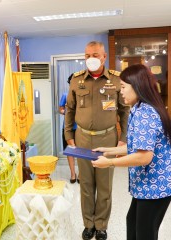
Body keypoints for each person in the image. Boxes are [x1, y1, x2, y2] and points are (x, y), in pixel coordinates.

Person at [92, 64, 171, 240]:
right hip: (146, 186)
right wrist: (108, 150)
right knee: (133, 225)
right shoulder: (138, 109)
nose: (120, 92)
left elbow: (144, 156)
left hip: (155, 187)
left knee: (144, 234)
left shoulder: (146, 113)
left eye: (123, 87)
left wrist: (110, 163)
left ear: (137, 86)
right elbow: (137, 145)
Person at [64, 41, 130, 240]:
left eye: (94, 55)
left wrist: (123, 138)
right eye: (87, 56)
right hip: (82, 138)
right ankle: (88, 224)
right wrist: (68, 135)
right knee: (86, 185)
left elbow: (124, 111)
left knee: (104, 186)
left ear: (104, 57)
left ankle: (101, 225)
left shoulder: (116, 80)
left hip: (108, 138)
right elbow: (70, 109)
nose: (90, 59)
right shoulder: (76, 80)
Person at [59, 73, 78, 184]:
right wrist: (66, 111)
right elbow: (60, 109)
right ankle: (72, 173)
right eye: (72, 81)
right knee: (70, 151)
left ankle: (80, 173)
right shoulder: (65, 95)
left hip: (81, 128)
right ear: (69, 82)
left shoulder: (82, 95)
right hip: (68, 128)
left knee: (81, 151)